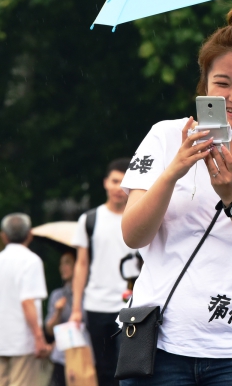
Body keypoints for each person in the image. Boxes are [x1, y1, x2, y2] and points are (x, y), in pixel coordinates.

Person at [119, 9, 232, 385]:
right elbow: (133, 235)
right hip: (160, 346)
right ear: (205, 87)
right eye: (222, 83)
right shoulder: (165, 137)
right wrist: (174, 171)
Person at [69, 157, 134, 386]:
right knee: (103, 369)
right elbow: (81, 264)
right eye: (115, 181)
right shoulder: (89, 219)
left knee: (129, 368)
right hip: (97, 303)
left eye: (124, 182)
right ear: (106, 182)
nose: (118, 188)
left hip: (132, 305)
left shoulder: (140, 217)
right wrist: (76, 308)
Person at [0, 213, 51, 386]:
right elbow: (27, 301)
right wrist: (39, 337)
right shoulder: (31, 261)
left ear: (4, 236)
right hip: (22, 340)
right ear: (29, 234)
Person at [45, 250, 76, 386]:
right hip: (61, 356)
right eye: (61, 264)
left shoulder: (88, 295)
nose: (63, 267)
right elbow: (49, 330)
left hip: (83, 354)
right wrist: (57, 312)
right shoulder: (57, 295)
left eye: (67, 262)